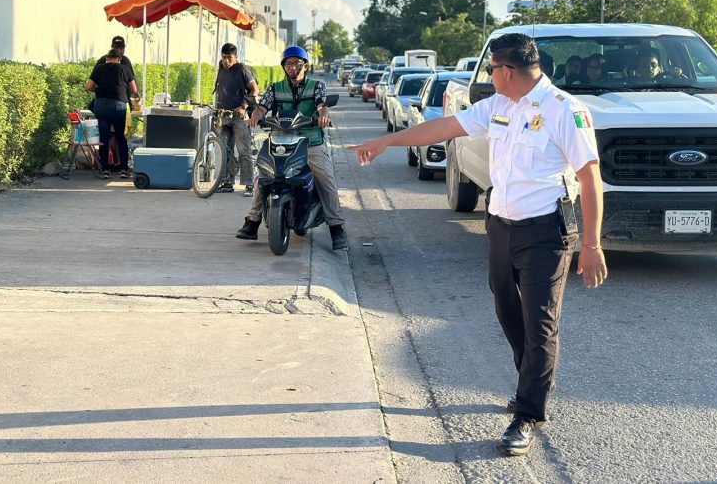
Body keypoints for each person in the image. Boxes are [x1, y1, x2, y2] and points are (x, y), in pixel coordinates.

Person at [348, 33, 607, 457]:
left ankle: (528, 412)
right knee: (506, 307)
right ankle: (531, 379)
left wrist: (592, 244)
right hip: (501, 225)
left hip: (545, 232)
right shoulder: (499, 105)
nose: (488, 77)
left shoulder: (564, 109)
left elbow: (589, 176)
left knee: (540, 322)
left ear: (508, 70)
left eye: (491, 69)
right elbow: (444, 127)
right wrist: (387, 141)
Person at [236, 46, 348, 251]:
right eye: (288, 64)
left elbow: (322, 105)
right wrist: (256, 116)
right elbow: (263, 106)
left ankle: (336, 227)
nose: (292, 67)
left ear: (305, 66)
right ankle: (252, 221)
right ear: (283, 67)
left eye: (297, 63)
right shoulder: (275, 88)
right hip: (281, 141)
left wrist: (323, 115)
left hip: (310, 142)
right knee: (263, 176)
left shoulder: (317, 86)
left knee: (326, 179)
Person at [85, 48, 140, 179]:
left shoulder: (99, 68)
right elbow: (134, 89)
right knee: (120, 137)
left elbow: (88, 86)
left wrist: (98, 89)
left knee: (104, 138)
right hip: (118, 106)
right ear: (119, 59)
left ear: (107, 58)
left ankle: (105, 170)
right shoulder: (125, 69)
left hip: (101, 105)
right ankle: (124, 170)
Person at [214, 43, 260, 195]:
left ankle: (249, 185)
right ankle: (227, 182)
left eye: (229, 58)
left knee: (244, 151)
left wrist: (243, 107)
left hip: (240, 117)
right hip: (224, 116)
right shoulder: (221, 68)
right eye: (224, 57)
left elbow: (255, 90)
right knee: (225, 150)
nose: (226, 61)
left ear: (236, 57)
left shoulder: (241, 69)